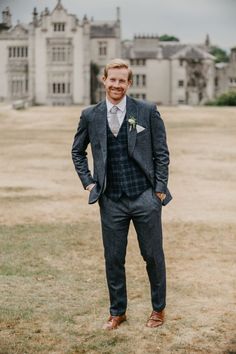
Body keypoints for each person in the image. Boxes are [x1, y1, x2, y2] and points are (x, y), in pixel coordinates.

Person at [72, 58, 172, 330]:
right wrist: (90, 184)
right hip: (111, 200)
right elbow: (77, 152)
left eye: (122, 80)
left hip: (145, 197)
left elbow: (161, 153)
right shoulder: (90, 115)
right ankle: (118, 311)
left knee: (152, 256)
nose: (116, 85)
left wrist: (159, 190)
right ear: (104, 80)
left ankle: (158, 310)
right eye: (112, 79)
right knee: (114, 258)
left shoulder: (147, 111)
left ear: (129, 83)